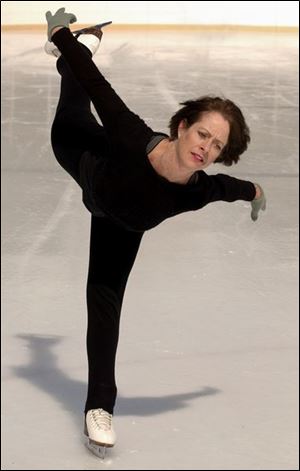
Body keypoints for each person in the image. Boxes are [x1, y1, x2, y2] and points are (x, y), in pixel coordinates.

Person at [44, 7, 266, 456]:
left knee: (105, 307)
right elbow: (96, 84)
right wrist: (61, 35)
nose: (206, 147)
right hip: (85, 156)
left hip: (119, 224)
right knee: (74, 100)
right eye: (202, 134)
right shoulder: (131, 135)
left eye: (217, 145)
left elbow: (228, 188)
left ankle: (99, 407)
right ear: (183, 127)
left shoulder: (195, 190)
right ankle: (75, 46)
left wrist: (256, 192)